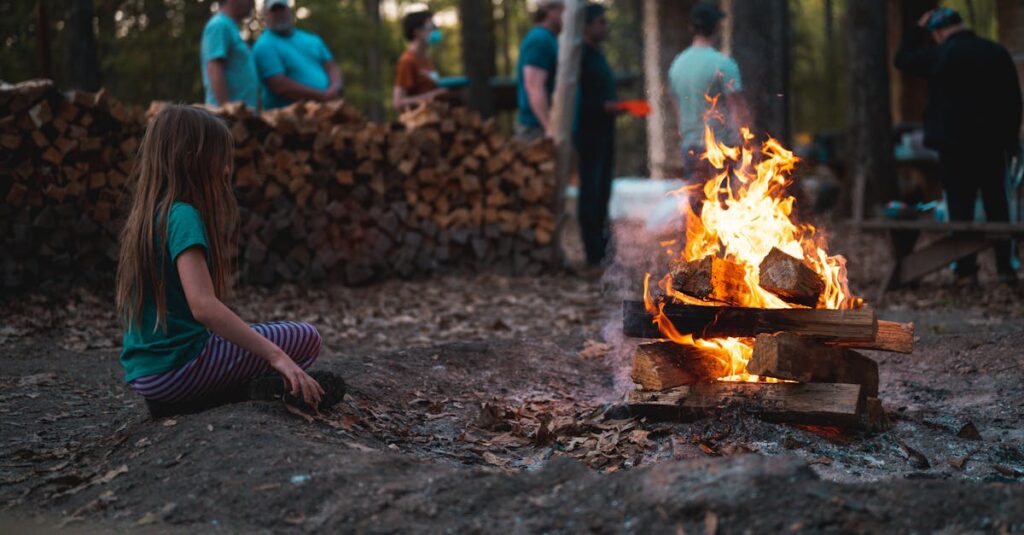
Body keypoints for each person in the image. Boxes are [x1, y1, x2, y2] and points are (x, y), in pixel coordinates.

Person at [115, 105, 345, 418]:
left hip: (148, 375)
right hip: (179, 370)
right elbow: (203, 306)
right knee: (305, 337)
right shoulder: (183, 215)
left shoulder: (149, 217)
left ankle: (234, 388)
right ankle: (234, 393)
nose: (226, 168)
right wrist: (277, 356)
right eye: (220, 156)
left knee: (255, 338)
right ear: (193, 158)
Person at [895, 8, 1022, 286]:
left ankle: (966, 272)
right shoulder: (995, 51)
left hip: (954, 149)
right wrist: (1011, 141)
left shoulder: (942, 55)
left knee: (960, 208)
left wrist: (917, 28)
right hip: (992, 146)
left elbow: (902, 60)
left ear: (939, 32)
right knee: (997, 206)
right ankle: (1005, 270)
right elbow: (1013, 99)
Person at [667, 1, 749, 183]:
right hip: (720, 149)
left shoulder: (677, 64)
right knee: (722, 206)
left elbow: (675, 104)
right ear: (717, 27)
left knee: (697, 206)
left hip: (690, 148)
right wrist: (745, 145)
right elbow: (737, 109)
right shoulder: (723, 64)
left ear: (691, 27)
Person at [575, 4, 621, 268]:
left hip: (605, 133)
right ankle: (593, 254)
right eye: (601, 22)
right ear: (587, 25)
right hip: (589, 135)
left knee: (602, 192)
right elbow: (577, 101)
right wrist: (603, 107)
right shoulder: (580, 57)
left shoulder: (597, 54)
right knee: (590, 193)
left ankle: (603, 253)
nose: (605, 27)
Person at [253, 0, 343, 110]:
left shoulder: (312, 39)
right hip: (288, 118)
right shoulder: (264, 45)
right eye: (274, 11)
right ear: (265, 15)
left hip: (326, 110)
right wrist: (322, 96)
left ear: (290, 11)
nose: (279, 14)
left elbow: (331, 66)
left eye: (282, 9)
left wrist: (335, 87)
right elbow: (280, 85)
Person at [515, 0, 564, 141]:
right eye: (563, 10)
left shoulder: (548, 39)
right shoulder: (540, 39)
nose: (566, 16)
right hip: (537, 130)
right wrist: (550, 128)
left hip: (542, 128)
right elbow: (534, 86)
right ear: (550, 11)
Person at [201, 0, 259, 109]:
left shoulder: (229, 26)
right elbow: (214, 69)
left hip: (238, 116)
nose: (252, 2)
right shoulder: (219, 25)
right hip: (228, 118)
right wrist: (226, 111)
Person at [393, 10, 448, 112]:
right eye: (430, 27)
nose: (434, 31)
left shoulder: (427, 59)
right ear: (416, 31)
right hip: (417, 123)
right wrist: (432, 96)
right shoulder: (407, 61)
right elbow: (398, 103)